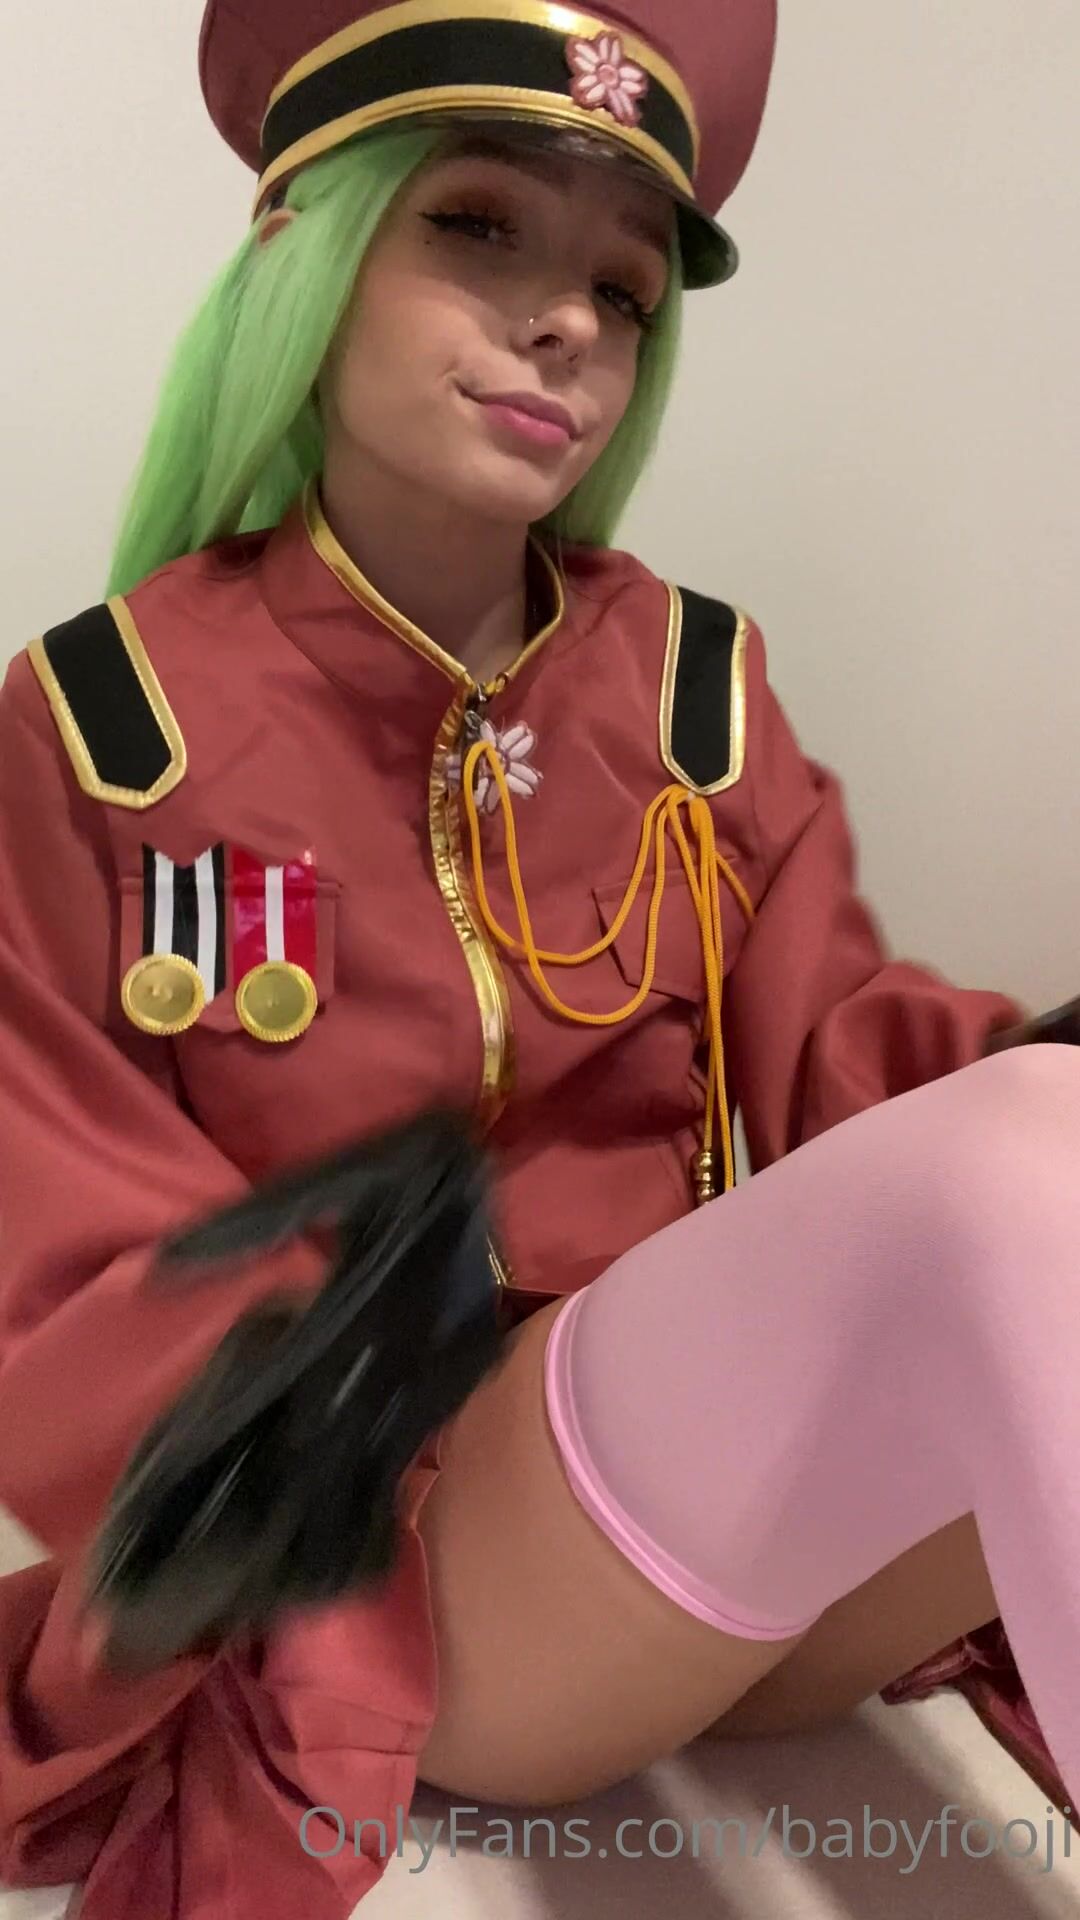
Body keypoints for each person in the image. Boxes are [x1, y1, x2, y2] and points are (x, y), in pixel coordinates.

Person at [1, 2, 1077, 1914]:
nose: (569, 322)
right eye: (480, 226)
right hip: (422, 1566)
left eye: (626, 290)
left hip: (723, 1559)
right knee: (1016, 1173)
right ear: (305, 252)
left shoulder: (683, 687)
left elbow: (840, 1060)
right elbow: (66, 1260)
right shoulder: (109, 729)